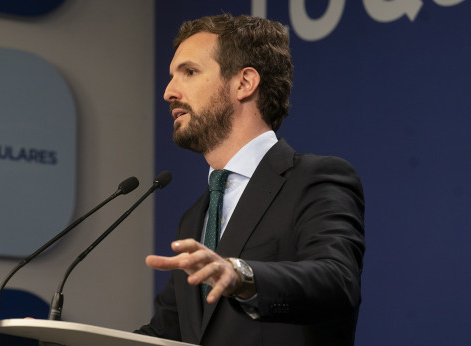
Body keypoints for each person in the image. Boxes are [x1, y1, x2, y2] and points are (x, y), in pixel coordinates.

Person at [135, 14, 365, 346]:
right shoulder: (194, 218)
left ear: (244, 83)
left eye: (189, 72)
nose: (169, 92)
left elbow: (337, 281)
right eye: (172, 76)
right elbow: (168, 333)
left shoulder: (315, 179)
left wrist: (242, 274)